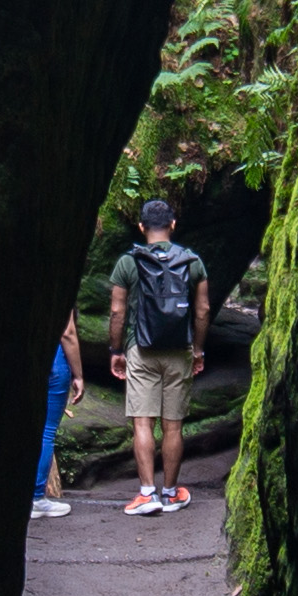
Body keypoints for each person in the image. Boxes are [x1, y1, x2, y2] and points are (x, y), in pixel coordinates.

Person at [108, 196, 207, 517]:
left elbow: (117, 311)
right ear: (173, 225)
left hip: (141, 348)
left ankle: (147, 493)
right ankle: (171, 492)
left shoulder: (128, 262)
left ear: (141, 227)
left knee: (143, 422)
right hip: (180, 350)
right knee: (173, 426)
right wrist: (198, 349)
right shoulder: (193, 261)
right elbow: (203, 310)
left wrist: (116, 350)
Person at [30, 301, 81, 519]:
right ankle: (36, 498)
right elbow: (67, 332)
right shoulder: (57, 286)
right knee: (46, 432)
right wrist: (78, 375)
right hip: (54, 359)